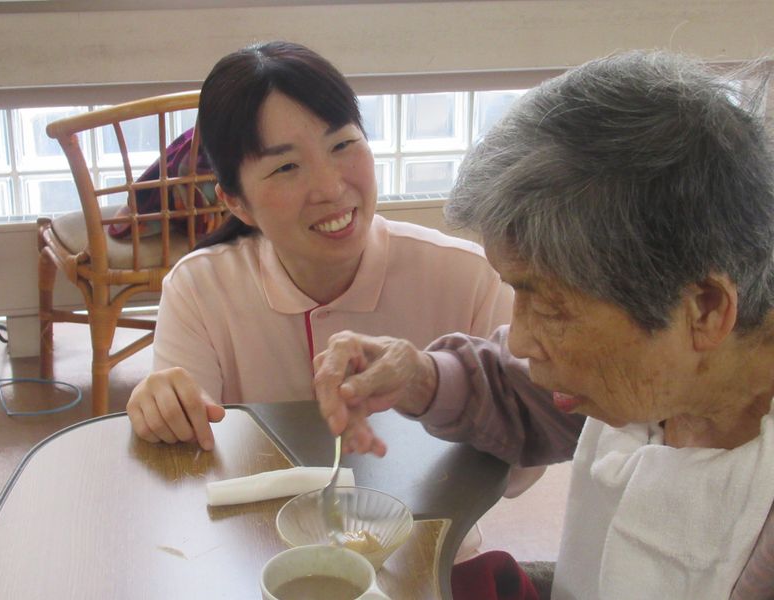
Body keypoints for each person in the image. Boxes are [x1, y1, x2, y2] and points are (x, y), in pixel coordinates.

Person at [313, 50, 774, 599]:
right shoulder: (654, 372)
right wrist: (418, 375)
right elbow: (516, 389)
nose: (523, 339)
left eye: (551, 308)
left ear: (704, 307)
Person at [126, 41, 514, 455]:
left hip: (429, 519)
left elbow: (521, 452)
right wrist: (164, 410)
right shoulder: (199, 290)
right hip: (254, 520)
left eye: (343, 145)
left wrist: (431, 385)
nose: (330, 188)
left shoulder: (469, 277)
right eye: (287, 167)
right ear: (236, 203)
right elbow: (189, 457)